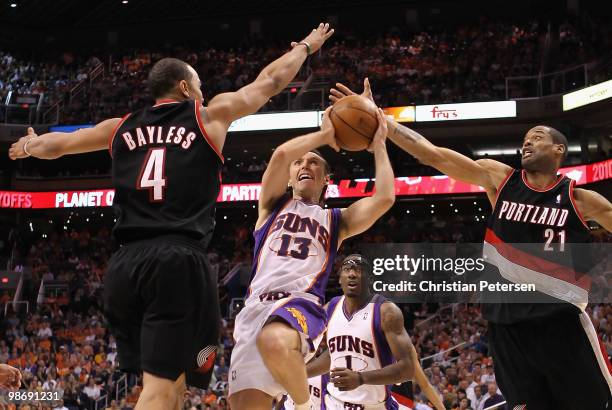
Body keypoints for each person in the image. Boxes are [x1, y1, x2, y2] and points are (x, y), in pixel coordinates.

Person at [8, 23, 334, 410]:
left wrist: (28, 144)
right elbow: (270, 80)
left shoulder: (119, 127)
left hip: (125, 268)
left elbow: (57, 146)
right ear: (184, 88)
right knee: (163, 393)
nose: (202, 92)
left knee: (169, 388)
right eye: (198, 85)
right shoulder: (208, 116)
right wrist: (305, 47)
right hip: (176, 261)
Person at [329, 79, 612, 409]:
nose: (527, 143)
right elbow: (434, 155)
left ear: (558, 150)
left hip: (559, 322)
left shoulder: (580, 199)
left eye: (537, 137)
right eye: (525, 139)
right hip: (506, 327)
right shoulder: (500, 180)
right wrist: (383, 121)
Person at [228, 107, 395, 410]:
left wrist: (379, 142)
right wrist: (325, 134)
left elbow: (384, 197)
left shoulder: (336, 220)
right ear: (290, 178)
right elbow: (280, 156)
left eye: (314, 161)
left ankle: (303, 407)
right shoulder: (270, 206)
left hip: (299, 303)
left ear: (326, 180)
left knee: (274, 340)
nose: (305, 164)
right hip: (254, 309)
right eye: (300, 162)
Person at [306, 254, 445, 410]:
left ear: (370, 279)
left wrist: (360, 378)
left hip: (375, 404)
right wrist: (299, 373)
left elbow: (410, 370)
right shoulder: (331, 308)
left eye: (359, 270)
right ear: (339, 278)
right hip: (333, 403)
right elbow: (333, 356)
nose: (352, 274)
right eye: (347, 269)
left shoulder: (387, 312)